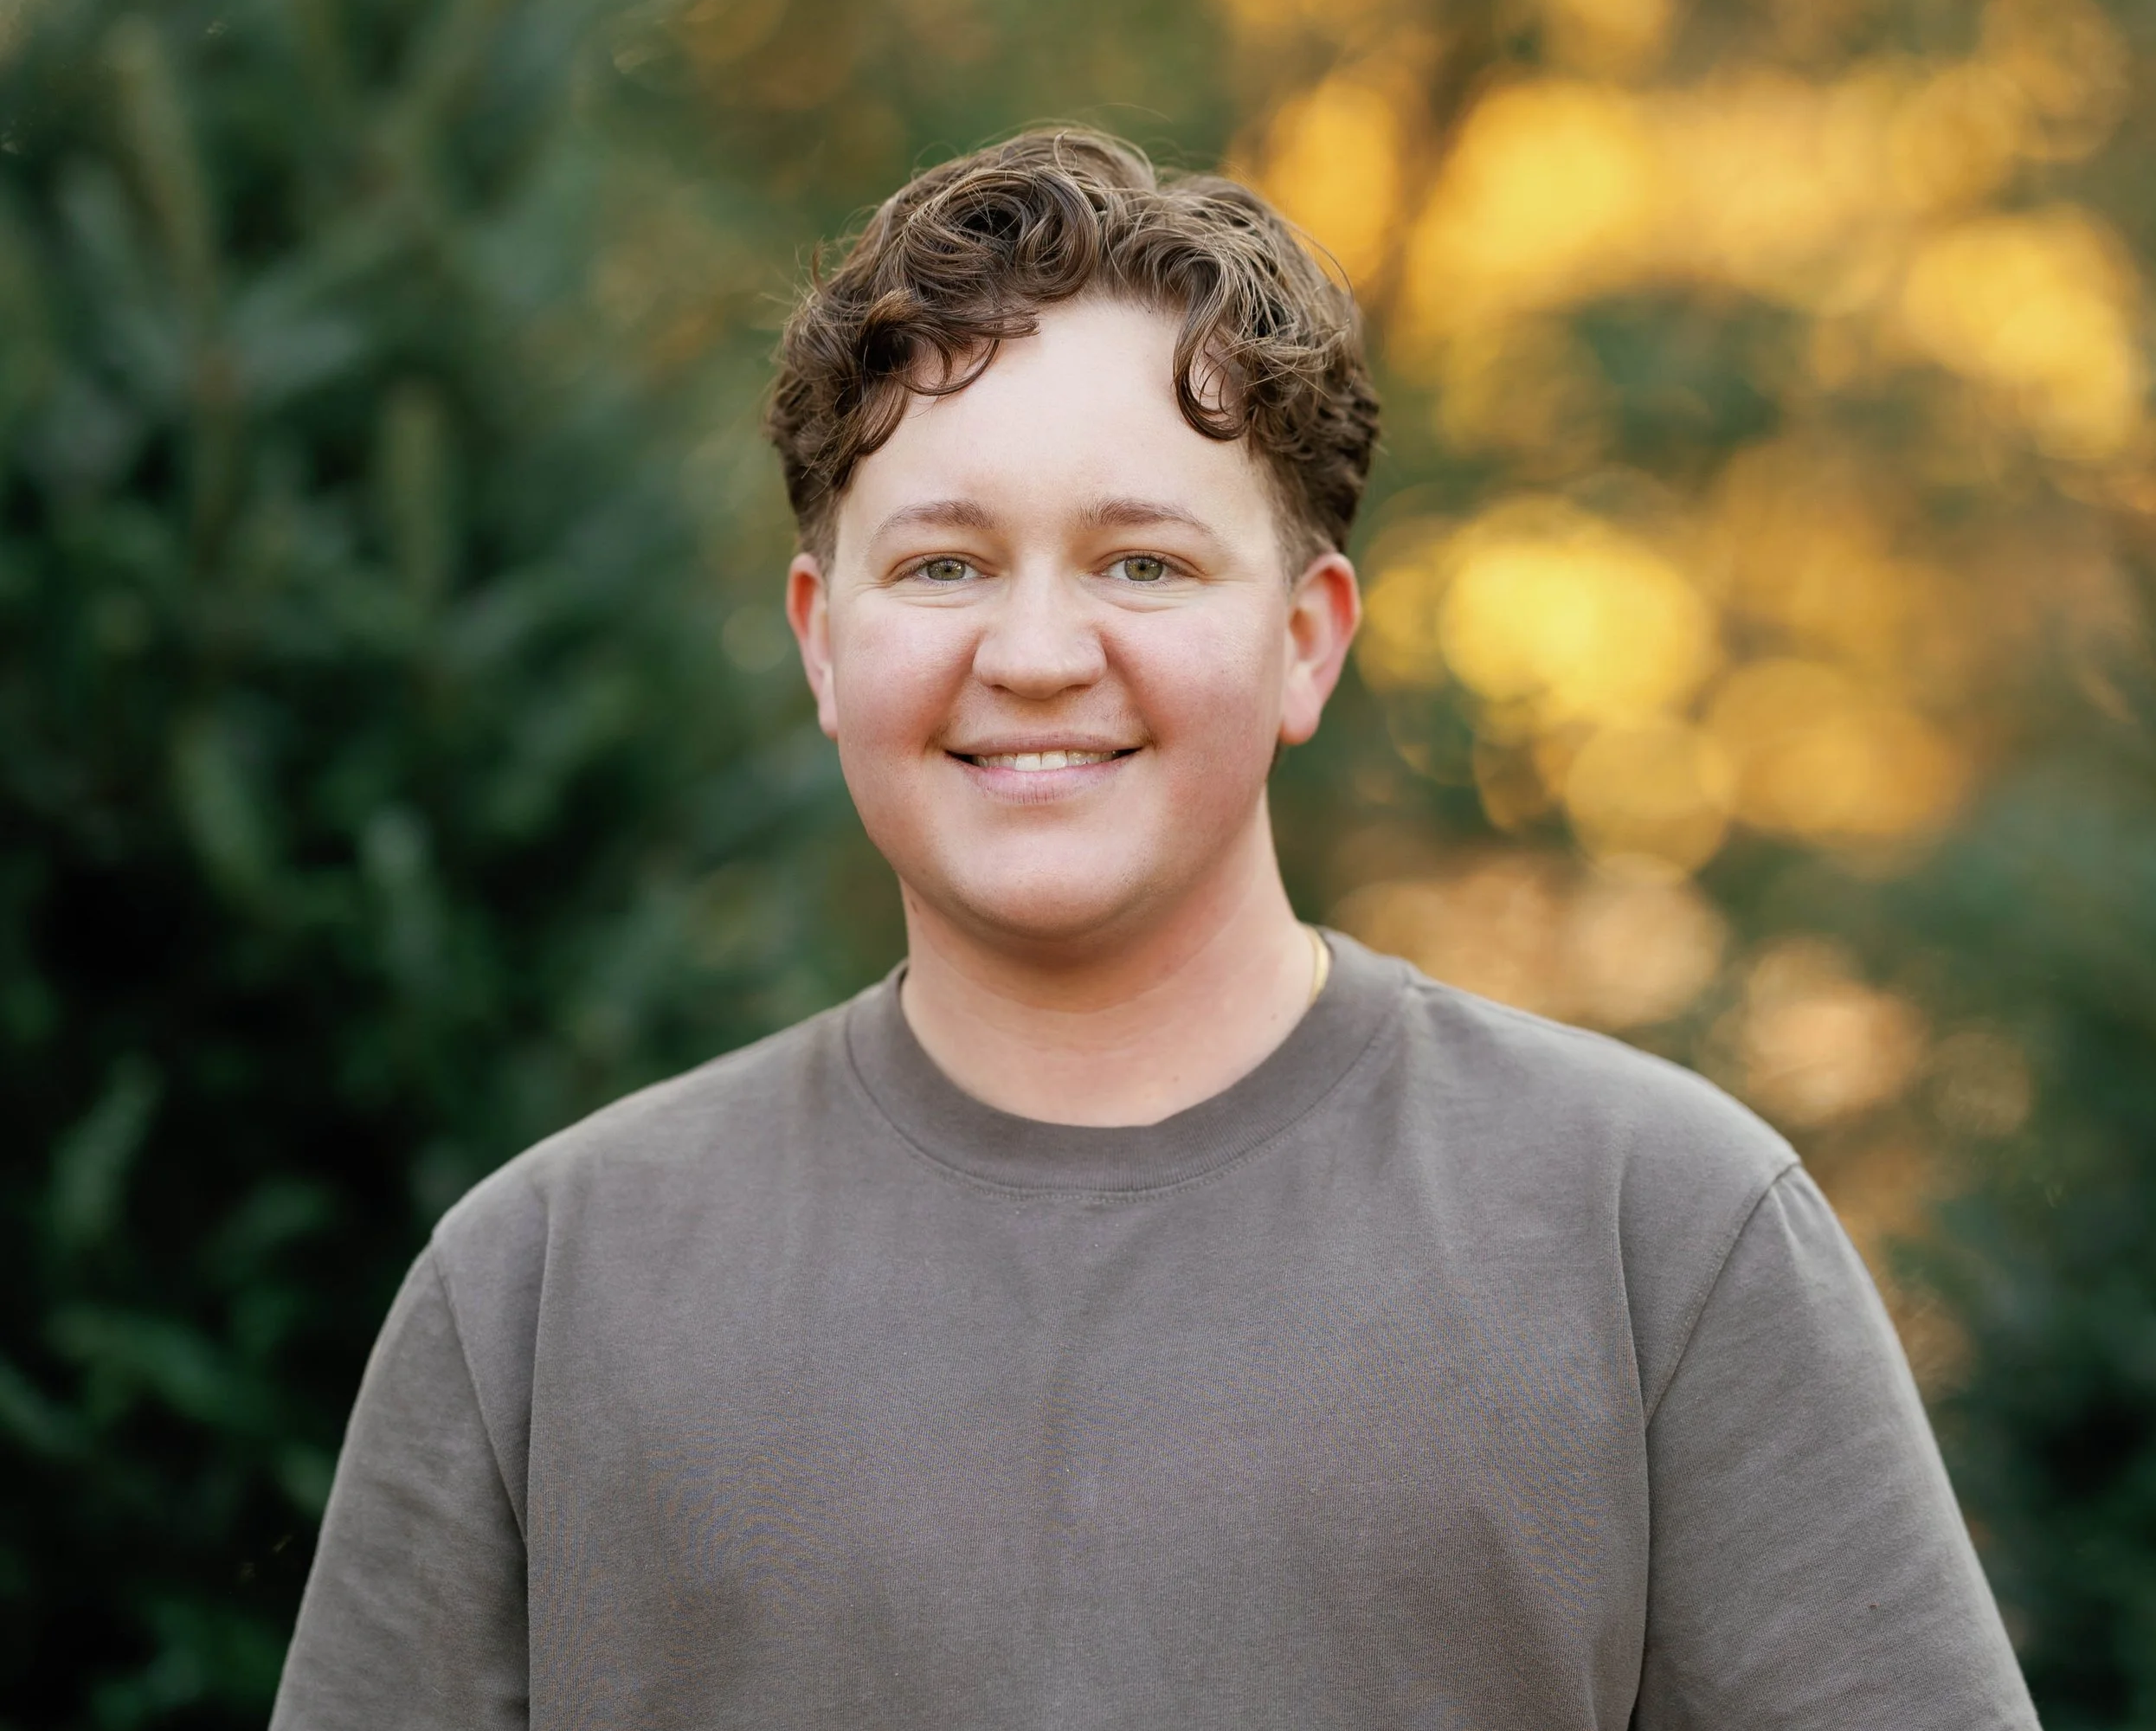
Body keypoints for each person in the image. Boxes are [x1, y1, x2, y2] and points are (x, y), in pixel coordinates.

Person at [271, 129, 2037, 1729]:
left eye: (1142, 563)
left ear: (1306, 637)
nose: (1035, 653)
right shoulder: (539, 1289)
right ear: (821, 637)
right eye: (944, 563)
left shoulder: (1660, 1238)